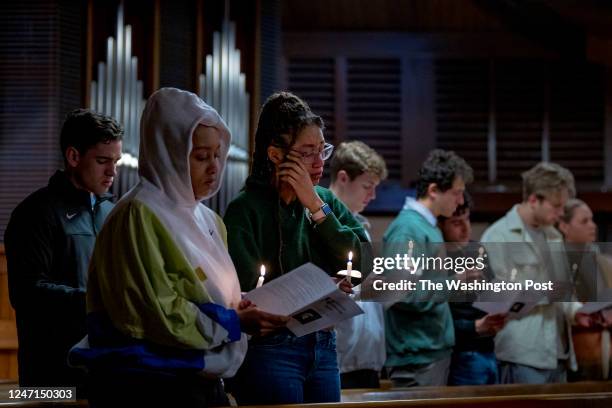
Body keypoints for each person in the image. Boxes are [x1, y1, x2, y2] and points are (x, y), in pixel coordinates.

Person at [69, 88, 287, 407]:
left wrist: (242, 308)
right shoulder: (138, 214)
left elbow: (207, 295)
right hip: (148, 387)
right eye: (201, 157)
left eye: (218, 154)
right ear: (167, 153)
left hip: (199, 381)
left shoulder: (210, 219)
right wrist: (233, 322)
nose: (214, 167)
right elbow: (152, 310)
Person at [224, 91, 369, 404]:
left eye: (322, 150)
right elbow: (247, 290)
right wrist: (315, 290)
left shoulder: (325, 201)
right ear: (276, 155)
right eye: (307, 153)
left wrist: (316, 207)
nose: (319, 163)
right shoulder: (245, 209)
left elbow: (363, 262)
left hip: (324, 343)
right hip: (271, 350)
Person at [4, 109, 122, 394]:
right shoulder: (35, 213)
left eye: (116, 162)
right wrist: (98, 301)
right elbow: (27, 293)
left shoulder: (113, 212)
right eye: (103, 161)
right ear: (73, 157)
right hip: (52, 375)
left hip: (106, 366)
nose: (112, 172)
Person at [481, 162, 586, 384]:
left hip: (559, 351)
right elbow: (496, 297)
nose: (560, 214)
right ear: (533, 200)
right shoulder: (498, 236)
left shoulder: (553, 235)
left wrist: (578, 312)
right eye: (556, 206)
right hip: (523, 353)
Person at [383, 149, 473, 387]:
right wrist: (455, 282)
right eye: (456, 193)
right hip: (415, 356)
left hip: (430, 352)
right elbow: (401, 294)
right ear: (433, 191)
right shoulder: (408, 229)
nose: (461, 201)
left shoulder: (428, 227)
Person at [328, 141, 387, 389]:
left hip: (368, 360)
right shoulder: (321, 222)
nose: (372, 196)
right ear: (343, 178)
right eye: (367, 186)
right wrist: (364, 287)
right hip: (338, 360)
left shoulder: (361, 225)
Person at [438, 191, 506, 385]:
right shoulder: (437, 256)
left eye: (467, 219)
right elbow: (438, 316)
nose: (466, 229)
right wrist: (474, 327)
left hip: (489, 348)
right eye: (457, 223)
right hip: (460, 352)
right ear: (441, 225)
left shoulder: (477, 250)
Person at [558, 198, 612, 380]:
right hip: (576, 348)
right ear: (564, 227)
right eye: (584, 221)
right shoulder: (558, 262)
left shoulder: (603, 261)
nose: (593, 226)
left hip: (605, 345)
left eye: (592, 220)